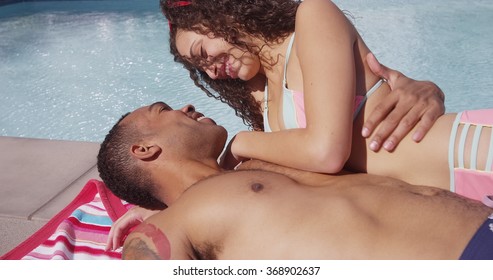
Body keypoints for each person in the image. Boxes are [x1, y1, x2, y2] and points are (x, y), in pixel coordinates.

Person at [161, 0, 493, 200]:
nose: (212, 71)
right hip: (445, 205)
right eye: (200, 68)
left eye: (203, 54)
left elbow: (326, 151)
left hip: (473, 156)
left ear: (224, 16)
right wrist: (159, 203)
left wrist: (240, 143)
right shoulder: (260, 93)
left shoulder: (314, 16)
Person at [97, 101, 493, 260]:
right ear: (145, 150)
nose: (185, 105)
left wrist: (418, 88)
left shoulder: (269, 157)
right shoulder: (169, 226)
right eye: (162, 109)